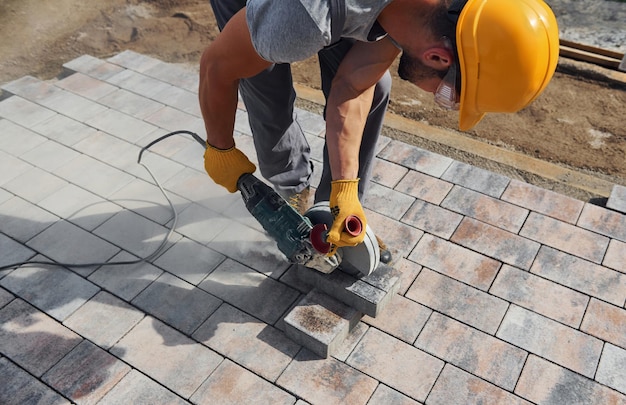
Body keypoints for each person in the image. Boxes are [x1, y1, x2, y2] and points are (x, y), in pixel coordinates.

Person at [199, 0, 559, 260]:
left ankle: (330, 209)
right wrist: (220, 147)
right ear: (438, 57)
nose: (441, 97)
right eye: (448, 94)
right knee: (266, 85)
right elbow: (216, 66)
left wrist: (345, 185)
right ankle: (290, 186)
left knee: (377, 86)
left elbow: (354, 85)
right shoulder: (304, 19)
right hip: (284, 12)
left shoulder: (436, 14)